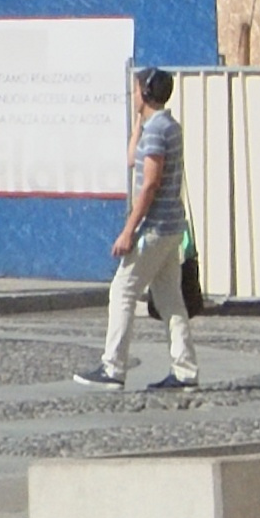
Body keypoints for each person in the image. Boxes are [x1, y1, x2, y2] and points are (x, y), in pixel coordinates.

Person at [73, 65, 198, 396]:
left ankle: (113, 367)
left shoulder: (158, 132)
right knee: (170, 299)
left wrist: (129, 230)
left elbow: (150, 184)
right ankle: (184, 370)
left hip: (154, 228)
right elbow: (133, 158)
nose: (132, 95)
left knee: (122, 291)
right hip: (173, 227)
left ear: (145, 92)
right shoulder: (165, 126)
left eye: (135, 90)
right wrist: (139, 122)